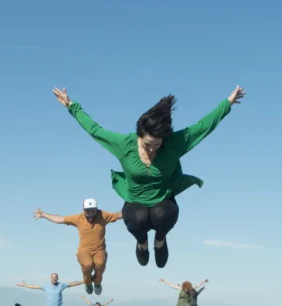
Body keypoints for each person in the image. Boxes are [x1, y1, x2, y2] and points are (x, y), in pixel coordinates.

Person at [53, 85, 246, 268]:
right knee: (139, 217)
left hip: (163, 200)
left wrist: (227, 103)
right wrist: (72, 106)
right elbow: (95, 130)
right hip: (134, 201)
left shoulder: (174, 144)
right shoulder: (124, 145)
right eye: (148, 145)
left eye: (158, 144)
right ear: (139, 136)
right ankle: (142, 243)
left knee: (160, 215)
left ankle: (160, 241)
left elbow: (204, 126)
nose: (153, 149)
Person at [33, 199, 122, 294]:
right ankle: (88, 283)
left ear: (96, 209)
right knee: (87, 265)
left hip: (99, 250)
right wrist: (44, 215)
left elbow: (119, 215)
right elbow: (60, 219)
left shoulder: (103, 215)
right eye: (88, 211)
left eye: (93, 211)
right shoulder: (78, 218)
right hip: (84, 250)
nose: (91, 213)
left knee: (100, 264)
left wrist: (134, 208)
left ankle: (97, 282)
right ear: (83, 210)